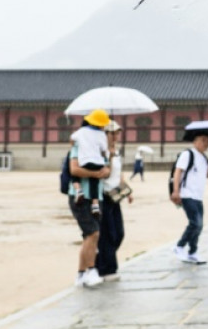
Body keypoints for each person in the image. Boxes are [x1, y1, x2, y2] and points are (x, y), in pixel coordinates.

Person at [67, 136, 111, 288]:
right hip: (79, 196)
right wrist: (94, 173)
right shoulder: (77, 148)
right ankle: (91, 271)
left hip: (96, 197)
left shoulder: (100, 151)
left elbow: (106, 171)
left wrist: (104, 170)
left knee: (89, 237)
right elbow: (74, 169)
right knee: (93, 234)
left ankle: (80, 274)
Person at [170, 132, 208, 264]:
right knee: (195, 223)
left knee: (199, 225)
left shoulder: (203, 157)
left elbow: (207, 175)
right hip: (187, 194)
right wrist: (176, 191)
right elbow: (178, 171)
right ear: (195, 141)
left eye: (207, 141)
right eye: (203, 140)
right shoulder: (188, 154)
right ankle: (179, 246)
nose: (206, 144)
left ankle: (192, 252)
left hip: (198, 196)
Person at [96, 121, 133, 281]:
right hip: (104, 196)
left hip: (115, 196)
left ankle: (101, 262)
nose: (116, 136)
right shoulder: (100, 152)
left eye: (118, 133)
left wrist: (127, 190)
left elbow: (119, 174)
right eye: (113, 133)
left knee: (119, 233)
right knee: (108, 234)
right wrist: (109, 157)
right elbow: (104, 173)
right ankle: (106, 269)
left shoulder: (117, 152)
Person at [70, 109, 111, 217]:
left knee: (75, 173)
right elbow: (104, 149)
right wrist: (106, 156)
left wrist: (73, 143)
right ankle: (95, 204)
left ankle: (78, 190)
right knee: (95, 181)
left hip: (84, 160)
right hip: (98, 161)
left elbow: (72, 138)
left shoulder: (81, 131)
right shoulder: (102, 134)